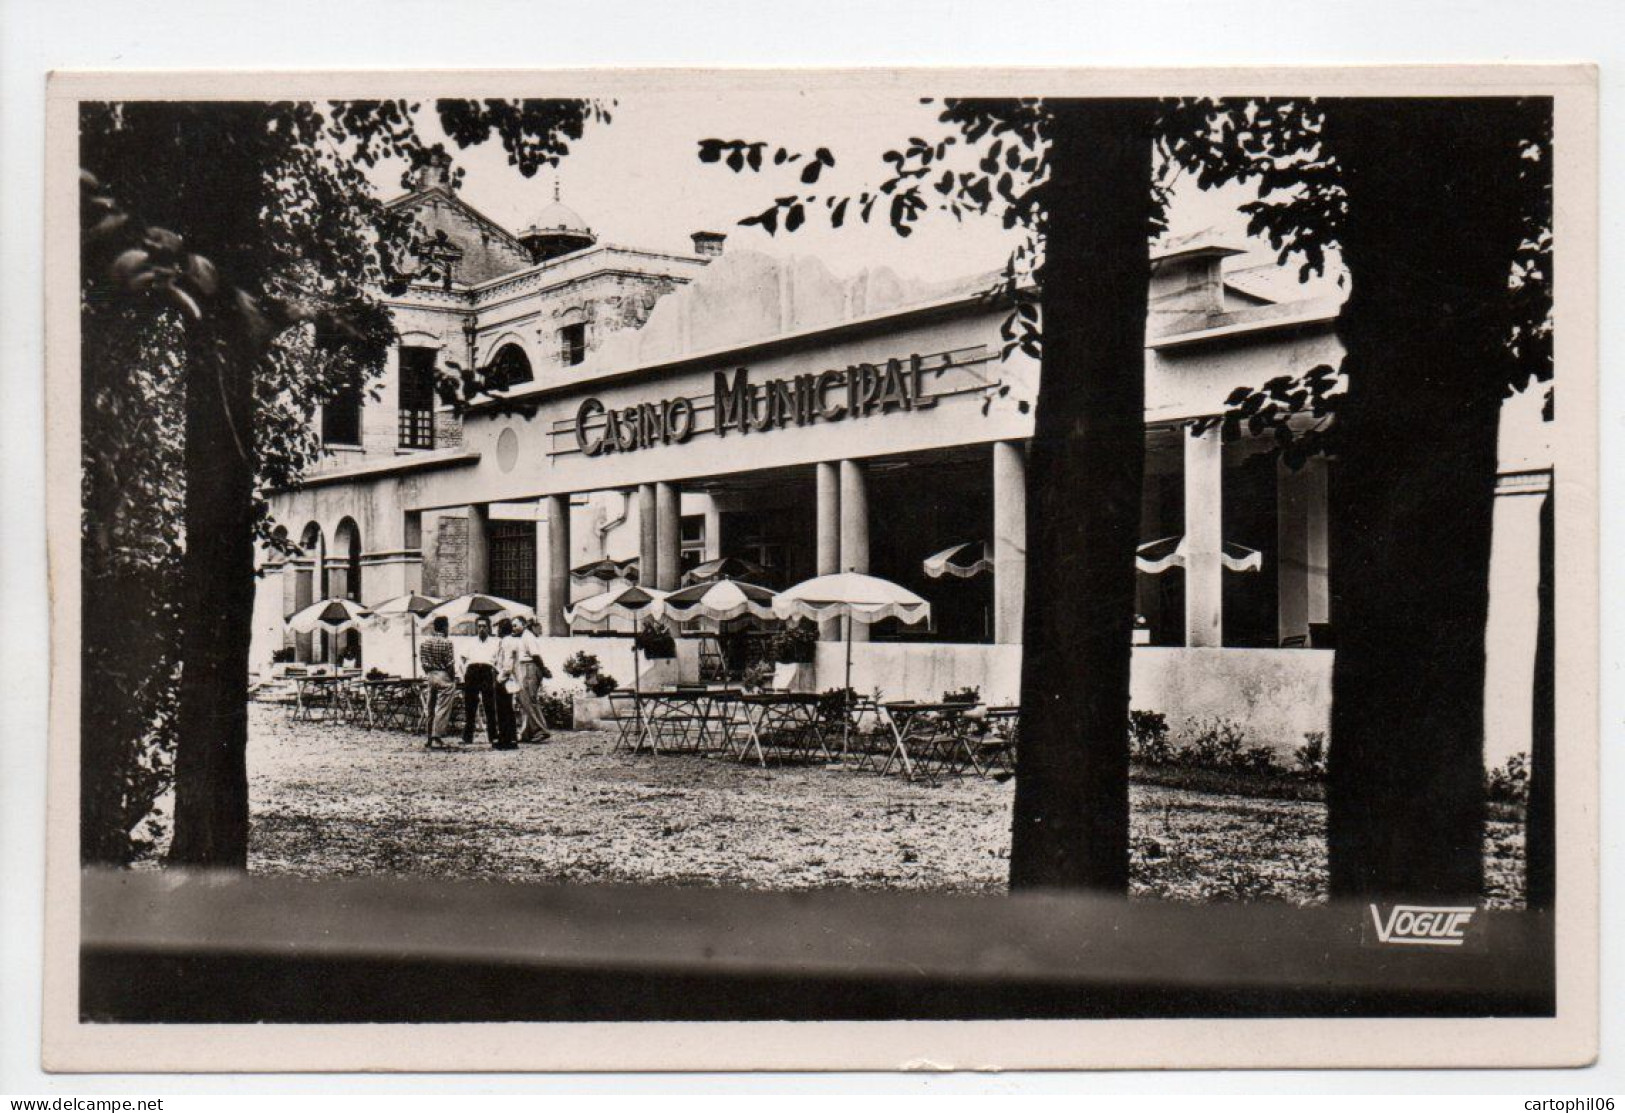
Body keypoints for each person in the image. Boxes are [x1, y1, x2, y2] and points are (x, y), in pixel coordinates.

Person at [456, 616, 506, 749]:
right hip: (472, 672)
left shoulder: (496, 642)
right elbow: (461, 658)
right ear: (476, 628)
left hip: (487, 671)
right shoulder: (470, 642)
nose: (481, 629)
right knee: (470, 705)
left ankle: (493, 736)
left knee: (489, 705)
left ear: (489, 628)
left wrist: (496, 671)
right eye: (479, 626)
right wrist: (463, 672)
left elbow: (500, 660)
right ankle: (467, 737)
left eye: (484, 626)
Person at [419, 615, 457, 750]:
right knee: (443, 707)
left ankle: (429, 737)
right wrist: (452, 678)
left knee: (431, 707)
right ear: (445, 627)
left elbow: (423, 663)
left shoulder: (425, 643)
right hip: (443, 675)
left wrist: (430, 672)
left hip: (430, 675)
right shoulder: (447, 643)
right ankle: (437, 737)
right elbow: (450, 663)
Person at [515, 616, 552, 742]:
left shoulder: (528, 637)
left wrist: (543, 669)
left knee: (529, 700)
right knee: (525, 700)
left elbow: (535, 655)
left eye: (516, 625)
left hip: (529, 667)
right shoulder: (526, 637)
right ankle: (528, 732)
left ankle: (541, 730)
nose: (514, 628)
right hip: (526, 667)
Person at [491, 618, 521, 748]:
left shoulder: (507, 643)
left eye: (498, 628)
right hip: (506, 677)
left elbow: (507, 665)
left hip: (504, 678)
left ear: (502, 629)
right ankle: (510, 738)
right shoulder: (507, 641)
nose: (497, 631)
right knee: (507, 709)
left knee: (503, 709)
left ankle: (506, 738)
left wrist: (499, 679)